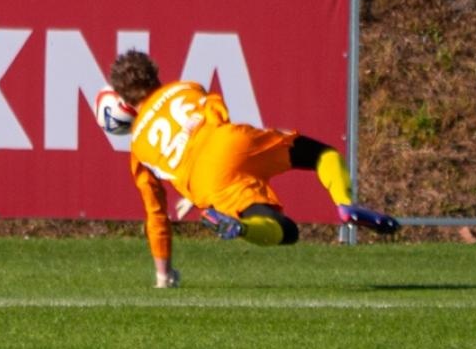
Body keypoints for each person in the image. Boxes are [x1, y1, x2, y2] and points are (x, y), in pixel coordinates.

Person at [105, 49, 399, 288]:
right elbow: (216, 110)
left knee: (285, 231)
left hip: (204, 182)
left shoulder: (138, 150)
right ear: (154, 72)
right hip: (229, 142)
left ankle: (241, 227)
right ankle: (345, 204)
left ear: (124, 98)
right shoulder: (185, 87)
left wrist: (163, 275)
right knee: (321, 153)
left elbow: (156, 216)